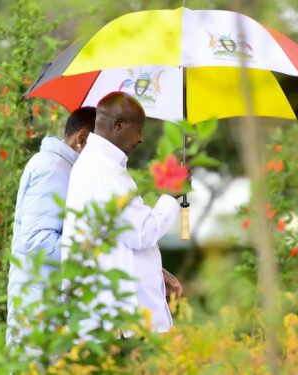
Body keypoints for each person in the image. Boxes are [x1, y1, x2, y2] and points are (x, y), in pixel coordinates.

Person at [61, 92, 183, 335]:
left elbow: (115, 240)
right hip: (119, 325)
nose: (140, 138)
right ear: (118, 125)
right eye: (139, 129)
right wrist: (171, 195)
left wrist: (158, 275)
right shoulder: (106, 172)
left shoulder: (95, 165)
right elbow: (142, 233)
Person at [6, 106, 96, 346]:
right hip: (39, 310)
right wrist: (95, 255)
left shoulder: (65, 168)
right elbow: (37, 241)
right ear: (82, 138)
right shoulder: (54, 168)